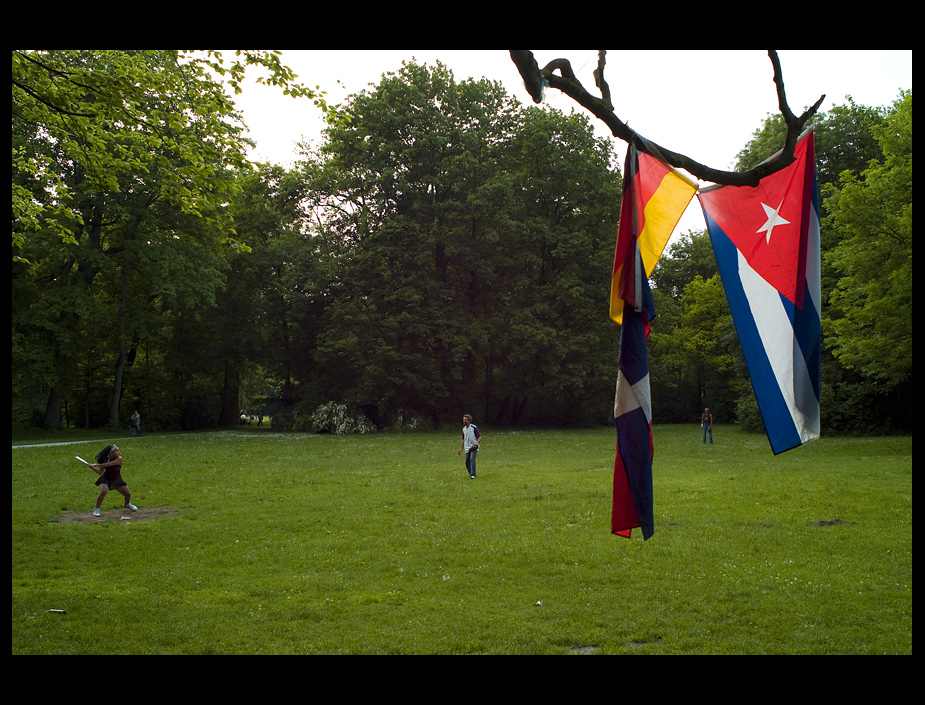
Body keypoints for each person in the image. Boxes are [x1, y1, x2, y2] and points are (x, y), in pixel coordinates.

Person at [90, 444, 137, 517]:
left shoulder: (119, 459)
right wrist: (92, 468)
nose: (119, 452)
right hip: (106, 477)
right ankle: (96, 509)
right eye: (117, 451)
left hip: (116, 478)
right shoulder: (105, 459)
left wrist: (96, 465)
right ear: (111, 453)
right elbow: (100, 472)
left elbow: (109, 464)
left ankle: (127, 504)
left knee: (128, 494)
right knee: (103, 491)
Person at [457, 414, 482, 479]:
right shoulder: (464, 429)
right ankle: (471, 473)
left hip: (474, 447)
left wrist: (476, 443)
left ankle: (473, 475)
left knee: (472, 460)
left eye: (465, 420)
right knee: (466, 461)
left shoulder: (474, 427)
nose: (464, 421)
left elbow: (479, 437)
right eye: (463, 419)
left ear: (469, 420)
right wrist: (460, 448)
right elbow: (464, 439)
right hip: (467, 447)